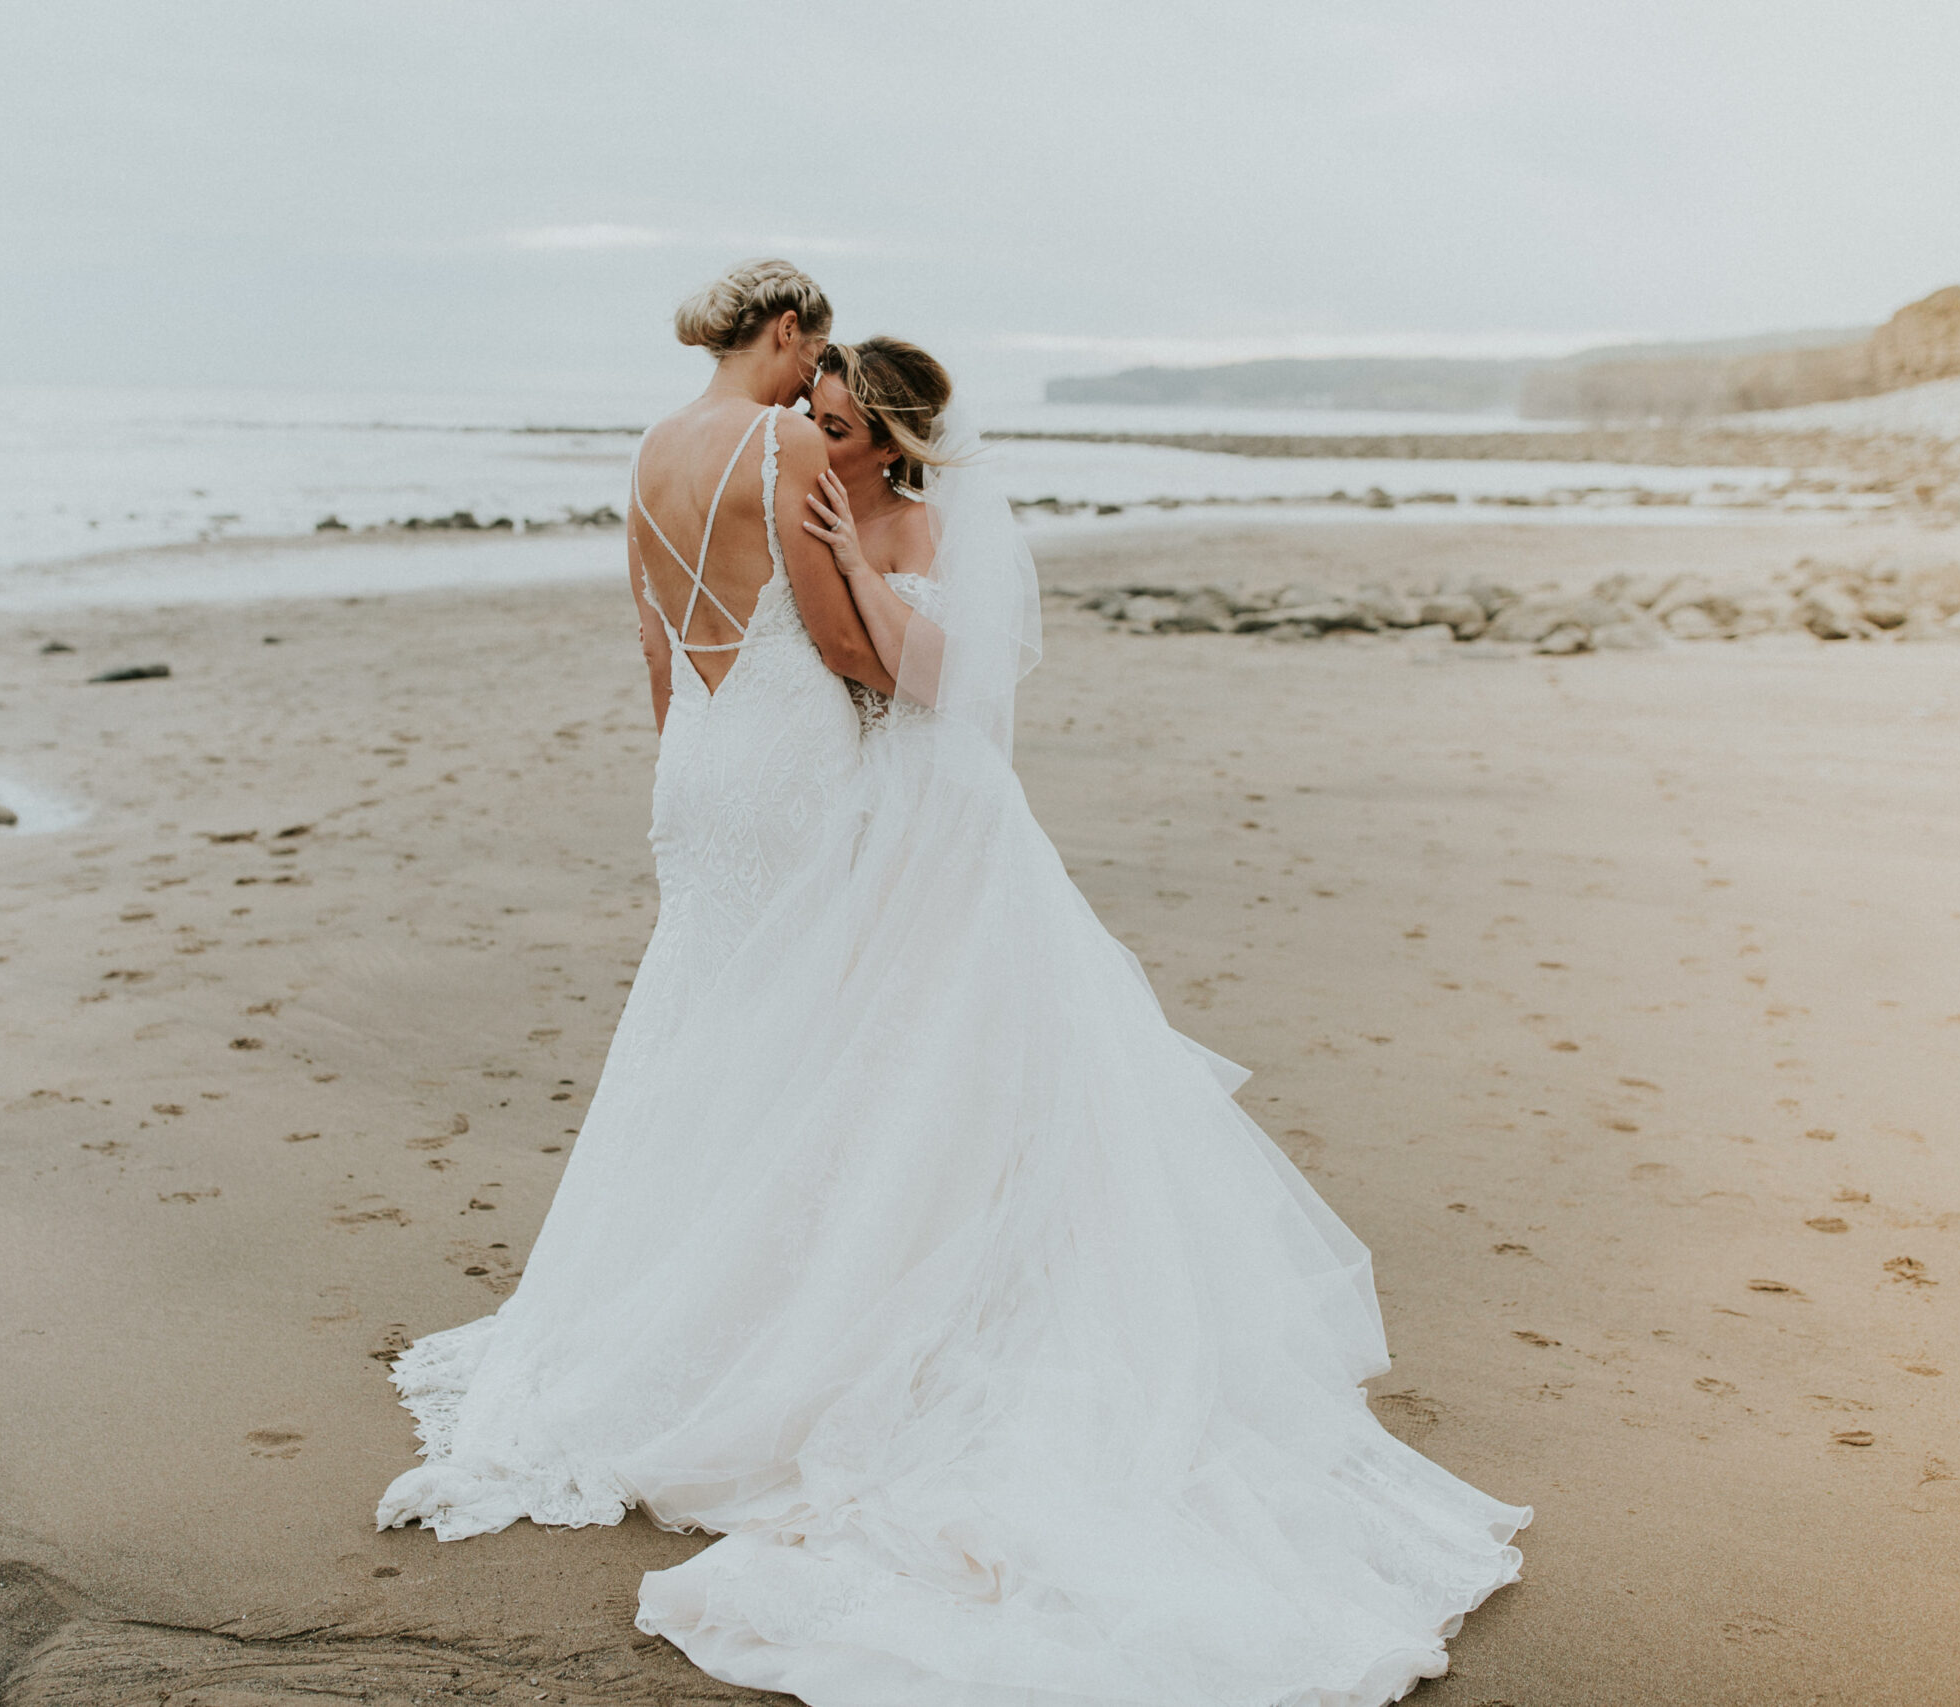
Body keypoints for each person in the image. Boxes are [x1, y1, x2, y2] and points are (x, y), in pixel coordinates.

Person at [378, 264, 1529, 1707]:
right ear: (786, 333)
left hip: (700, 773)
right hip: (795, 763)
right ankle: (801, 1314)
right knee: (822, 1043)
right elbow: (852, 649)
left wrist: (699, 758)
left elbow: (658, 645)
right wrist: (854, 659)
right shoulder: (782, 443)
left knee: (721, 1041)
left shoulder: (654, 446)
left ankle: (692, 1303)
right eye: (811, 370)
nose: (815, 399)